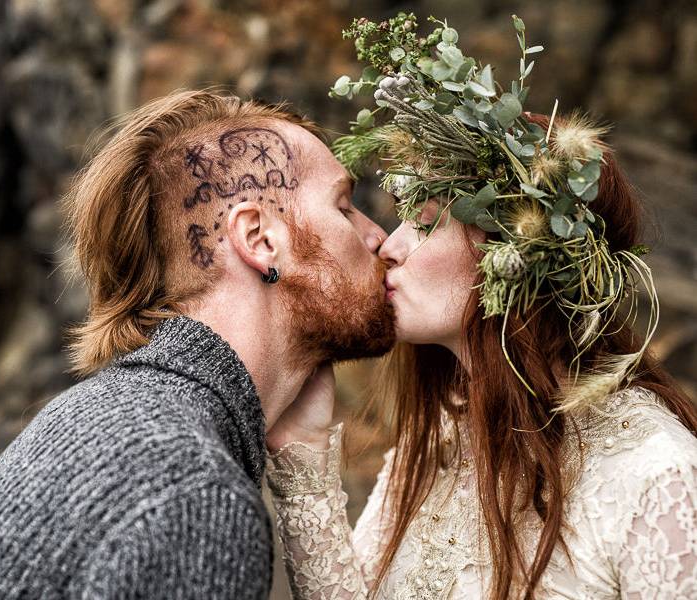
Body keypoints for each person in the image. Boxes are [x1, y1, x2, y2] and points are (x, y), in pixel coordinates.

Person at [263, 13, 697, 600]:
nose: (389, 248)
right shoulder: (436, 447)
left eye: (421, 223)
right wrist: (306, 459)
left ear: (516, 250)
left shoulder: (656, 472)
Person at [0, 89, 396, 599]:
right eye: (344, 207)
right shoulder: (194, 494)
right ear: (258, 239)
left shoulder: (97, 415)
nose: (377, 237)